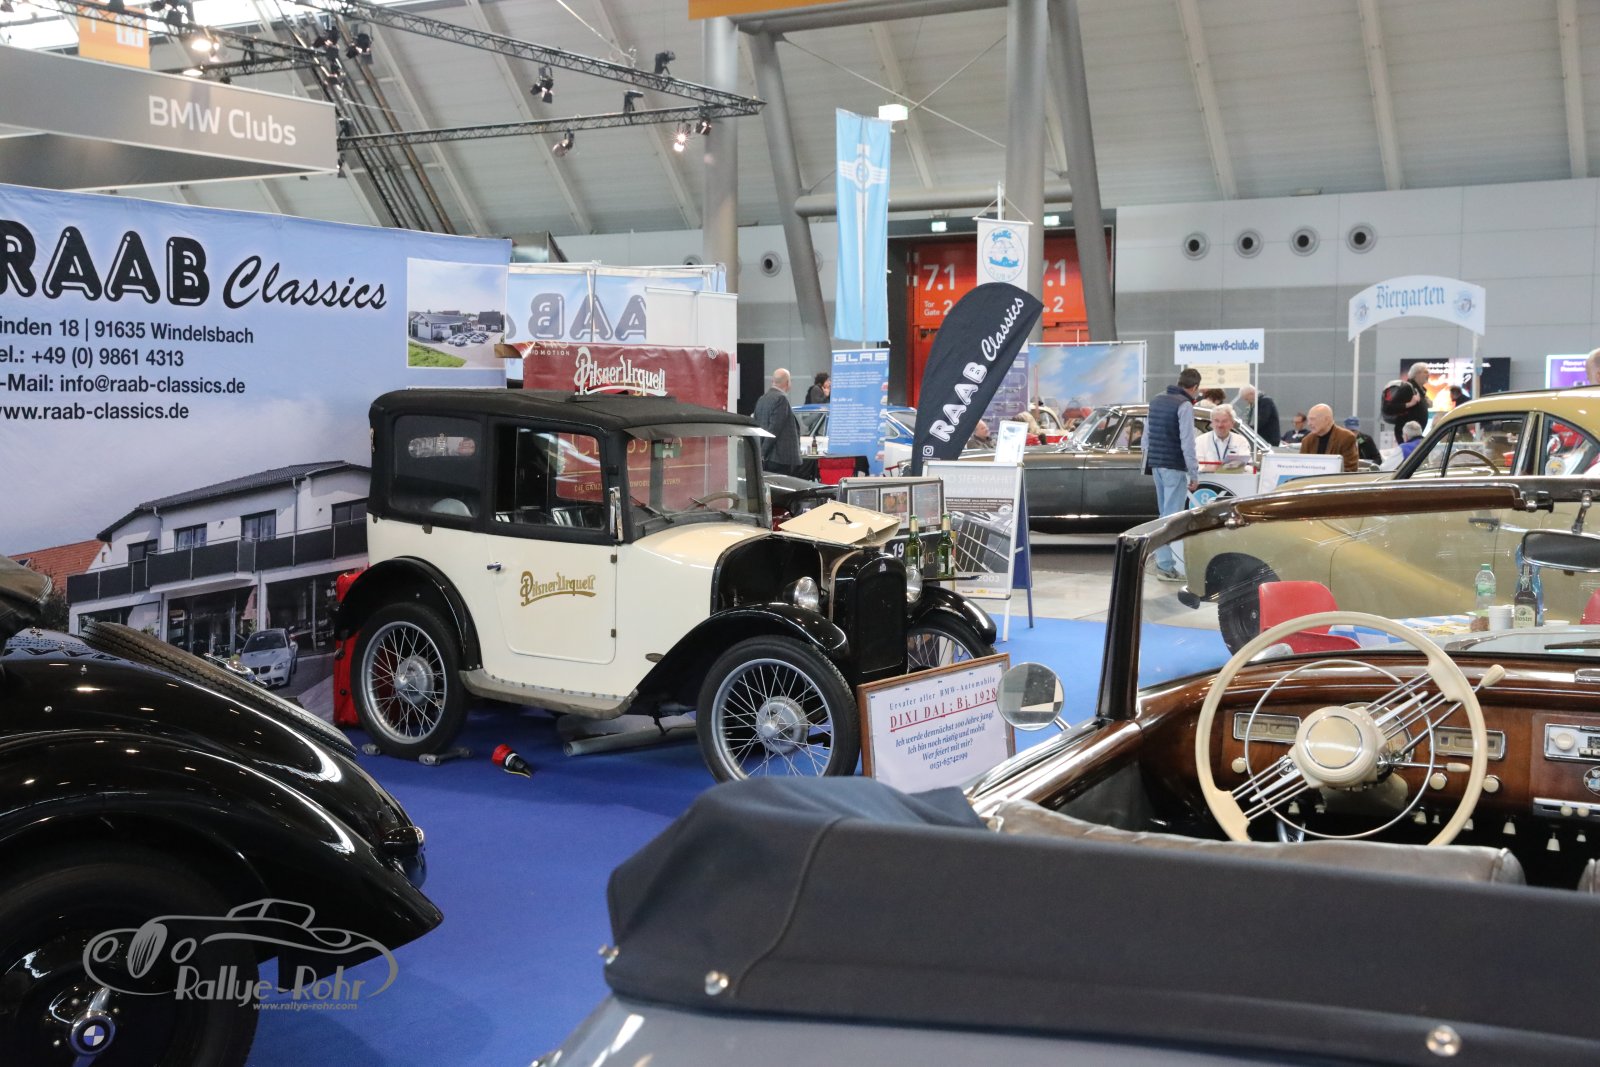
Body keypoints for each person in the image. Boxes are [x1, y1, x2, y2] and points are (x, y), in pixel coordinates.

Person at [1144, 367, 1201, 581]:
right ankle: (1165, 567)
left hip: (1156, 464)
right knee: (1171, 519)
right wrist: (1194, 473)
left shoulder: (1156, 400)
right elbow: (1187, 442)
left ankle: (1162, 562)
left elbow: (1146, 437)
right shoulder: (1184, 405)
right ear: (1195, 387)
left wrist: (1150, 460)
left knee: (1163, 515)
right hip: (1174, 466)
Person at [752, 368, 802, 475]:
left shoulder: (762, 399)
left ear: (772, 381)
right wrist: (762, 454)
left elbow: (756, 426)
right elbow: (774, 430)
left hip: (768, 459)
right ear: (787, 383)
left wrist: (760, 454)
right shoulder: (781, 399)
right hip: (781, 459)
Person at [1300, 403, 1359, 473]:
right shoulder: (1307, 441)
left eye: (1312, 419)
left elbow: (1350, 470)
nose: (1309, 423)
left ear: (1327, 420)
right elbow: (1301, 468)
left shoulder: (1346, 438)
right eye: (1308, 420)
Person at [1194, 403, 1253, 472]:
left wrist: (1238, 467)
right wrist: (1205, 469)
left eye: (1224, 421)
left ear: (1232, 423)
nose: (1220, 425)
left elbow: (1248, 466)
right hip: (1208, 477)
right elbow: (1195, 466)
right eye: (1216, 421)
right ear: (1211, 423)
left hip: (1233, 477)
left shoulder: (1241, 441)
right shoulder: (1200, 441)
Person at [1386, 362, 1432, 445]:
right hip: (1406, 435)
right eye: (1425, 372)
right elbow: (1388, 408)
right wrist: (1409, 404)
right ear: (1416, 374)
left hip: (1415, 434)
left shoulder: (1420, 390)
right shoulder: (1407, 388)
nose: (1428, 374)